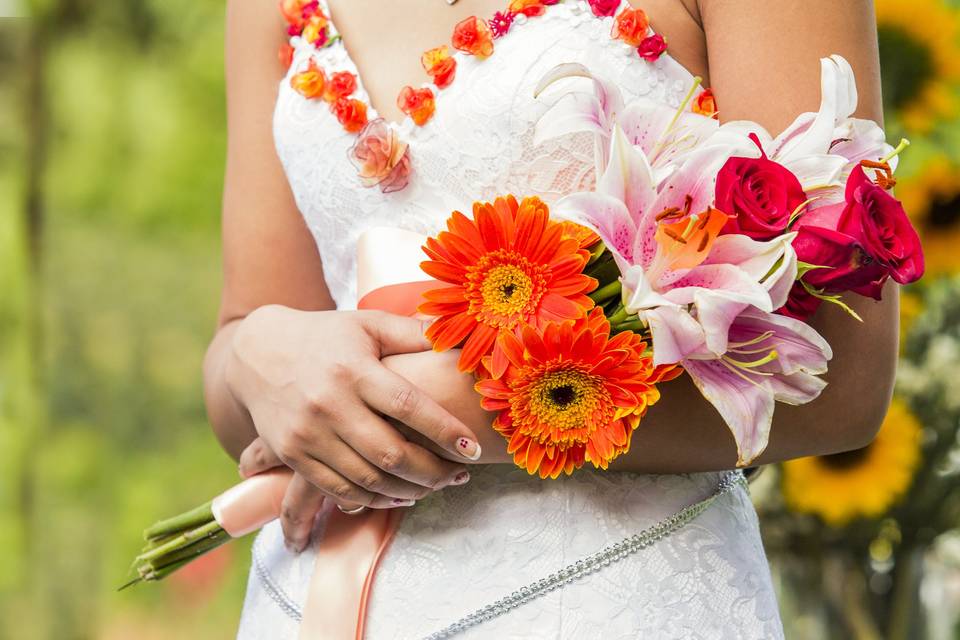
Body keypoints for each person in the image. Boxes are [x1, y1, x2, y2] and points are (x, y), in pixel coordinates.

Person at [204, 0, 896, 636]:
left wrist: (401, 411)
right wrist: (255, 358)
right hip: (312, 600)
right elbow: (242, 353)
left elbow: (841, 381)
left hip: (614, 600)